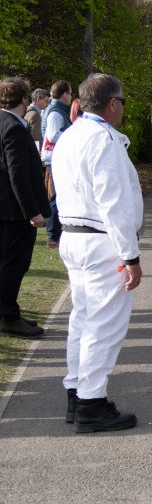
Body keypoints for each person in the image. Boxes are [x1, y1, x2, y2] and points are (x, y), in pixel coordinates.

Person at [51, 73, 143, 433]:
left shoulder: (70, 136)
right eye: (122, 102)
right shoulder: (103, 139)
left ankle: (77, 392)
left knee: (83, 320)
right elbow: (114, 202)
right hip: (100, 239)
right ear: (113, 104)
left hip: (75, 235)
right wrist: (131, 256)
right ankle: (91, 401)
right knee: (104, 326)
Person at [0, 77, 50, 339]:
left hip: (6, 208)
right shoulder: (13, 128)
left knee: (7, 263)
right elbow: (17, 174)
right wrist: (33, 212)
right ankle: (8, 317)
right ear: (23, 100)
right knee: (15, 264)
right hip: (14, 211)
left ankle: (8, 312)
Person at [40, 80, 73, 249]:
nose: (71, 96)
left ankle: (55, 234)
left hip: (57, 157)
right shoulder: (55, 112)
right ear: (64, 94)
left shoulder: (58, 110)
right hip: (55, 158)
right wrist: (73, 134)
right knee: (56, 196)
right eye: (70, 93)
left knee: (58, 195)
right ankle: (53, 236)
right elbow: (52, 135)